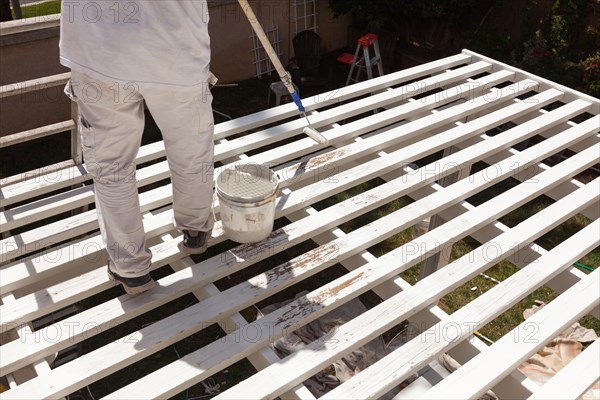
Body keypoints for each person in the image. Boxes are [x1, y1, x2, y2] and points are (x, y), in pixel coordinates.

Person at [59, 1, 215, 295]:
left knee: (112, 167)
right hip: (176, 48)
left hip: (99, 53)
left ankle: (131, 268)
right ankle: (195, 229)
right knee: (191, 151)